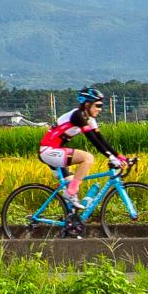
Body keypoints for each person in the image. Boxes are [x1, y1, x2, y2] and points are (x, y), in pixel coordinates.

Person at [38, 87, 123, 220]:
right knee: (87, 158)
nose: (100, 109)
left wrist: (119, 156)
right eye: (98, 105)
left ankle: (70, 223)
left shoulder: (89, 119)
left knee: (70, 184)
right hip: (48, 151)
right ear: (87, 104)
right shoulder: (78, 116)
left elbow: (101, 140)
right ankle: (71, 192)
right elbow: (93, 140)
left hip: (54, 152)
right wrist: (111, 157)